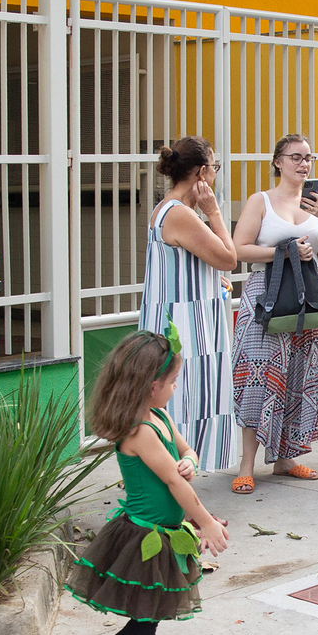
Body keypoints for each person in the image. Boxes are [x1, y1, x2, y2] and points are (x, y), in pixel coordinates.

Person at [65, 329, 230, 635]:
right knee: (145, 620)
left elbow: (184, 455)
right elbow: (174, 486)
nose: (175, 389)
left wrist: (190, 460)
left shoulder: (159, 417)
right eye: (172, 383)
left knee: (147, 618)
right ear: (151, 385)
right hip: (143, 539)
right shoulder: (137, 431)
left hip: (164, 534)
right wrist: (206, 521)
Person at [230, 134, 318, 495]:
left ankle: (285, 459)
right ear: (278, 161)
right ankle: (246, 466)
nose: (303, 164)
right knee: (258, 378)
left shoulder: (316, 201)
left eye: (308, 157)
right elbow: (239, 248)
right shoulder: (260, 201)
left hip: (307, 295)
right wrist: (284, 250)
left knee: (300, 374)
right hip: (266, 294)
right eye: (295, 157)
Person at [138, 137, 237, 472]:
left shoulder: (166, 209)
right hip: (185, 324)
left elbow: (186, 264)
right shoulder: (181, 214)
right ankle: (175, 475)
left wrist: (209, 279)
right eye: (214, 168)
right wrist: (214, 212)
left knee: (179, 397)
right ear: (200, 173)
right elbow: (229, 257)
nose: (215, 177)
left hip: (178, 313)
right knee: (182, 397)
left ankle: (173, 473)